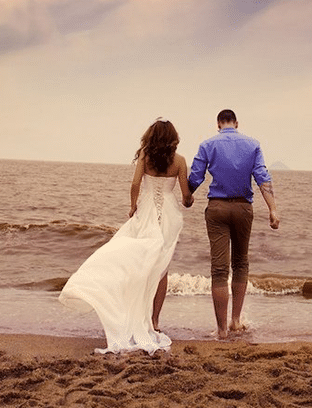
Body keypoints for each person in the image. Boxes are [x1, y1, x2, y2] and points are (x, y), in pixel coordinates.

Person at [59, 117, 193, 354]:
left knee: (136, 262)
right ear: (173, 139)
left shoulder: (145, 156)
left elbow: (134, 185)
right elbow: (186, 197)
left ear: (151, 136)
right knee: (161, 269)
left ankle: (129, 313)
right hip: (169, 217)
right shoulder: (180, 161)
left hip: (146, 212)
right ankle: (154, 322)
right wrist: (191, 196)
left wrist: (133, 207)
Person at [188, 109, 279, 340]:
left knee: (219, 269)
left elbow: (196, 177)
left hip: (217, 208)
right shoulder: (253, 144)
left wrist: (186, 196)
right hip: (242, 208)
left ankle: (221, 330)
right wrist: (273, 209)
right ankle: (236, 321)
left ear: (218, 124)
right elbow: (262, 177)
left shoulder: (208, 144)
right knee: (240, 263)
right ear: (236, 123)